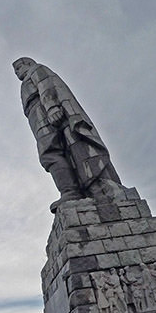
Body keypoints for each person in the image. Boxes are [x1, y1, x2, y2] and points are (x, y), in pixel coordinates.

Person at [13, 57, 125, 213]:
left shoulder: (36, 69)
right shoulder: (25, 83)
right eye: (15, 70)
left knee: (57, 150)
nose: (17, 72)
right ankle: (70, 192)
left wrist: (51, 107)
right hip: (35, 116)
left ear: (28, 64)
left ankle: (77, 190)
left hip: (43, 111)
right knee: (50, 154)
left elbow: (46, 85)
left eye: (18, 67)